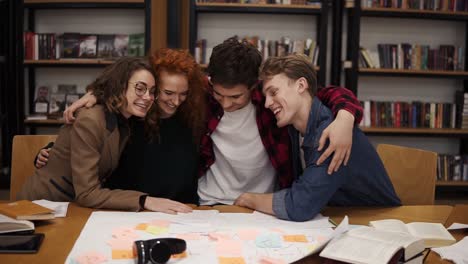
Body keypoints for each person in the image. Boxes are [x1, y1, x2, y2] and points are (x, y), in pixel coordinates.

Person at [34, 49, 206, 214]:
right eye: (167, 92)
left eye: (183, 94)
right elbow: (92, 136)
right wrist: (54, 151)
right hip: (128, 209)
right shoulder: (131, 115)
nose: (176, 101)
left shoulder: (193, 114)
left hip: (182, 209)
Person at [197, 37, 364, 206]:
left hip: (265, 204)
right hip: (211, 201)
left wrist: (345, 117)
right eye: (219, 94)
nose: (225, 103)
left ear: (254, 85)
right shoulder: (202, 96)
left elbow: (330, 94)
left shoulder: (270, 98)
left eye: (235, 97)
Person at [234, 54, 401, 221]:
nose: (267, 103)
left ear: (301, 85)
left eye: (274, 92)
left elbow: (299, 206)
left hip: (375, 221)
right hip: (339, 216)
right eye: (266, 96)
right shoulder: (294, 124)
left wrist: (249, 199)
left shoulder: (329, 133)